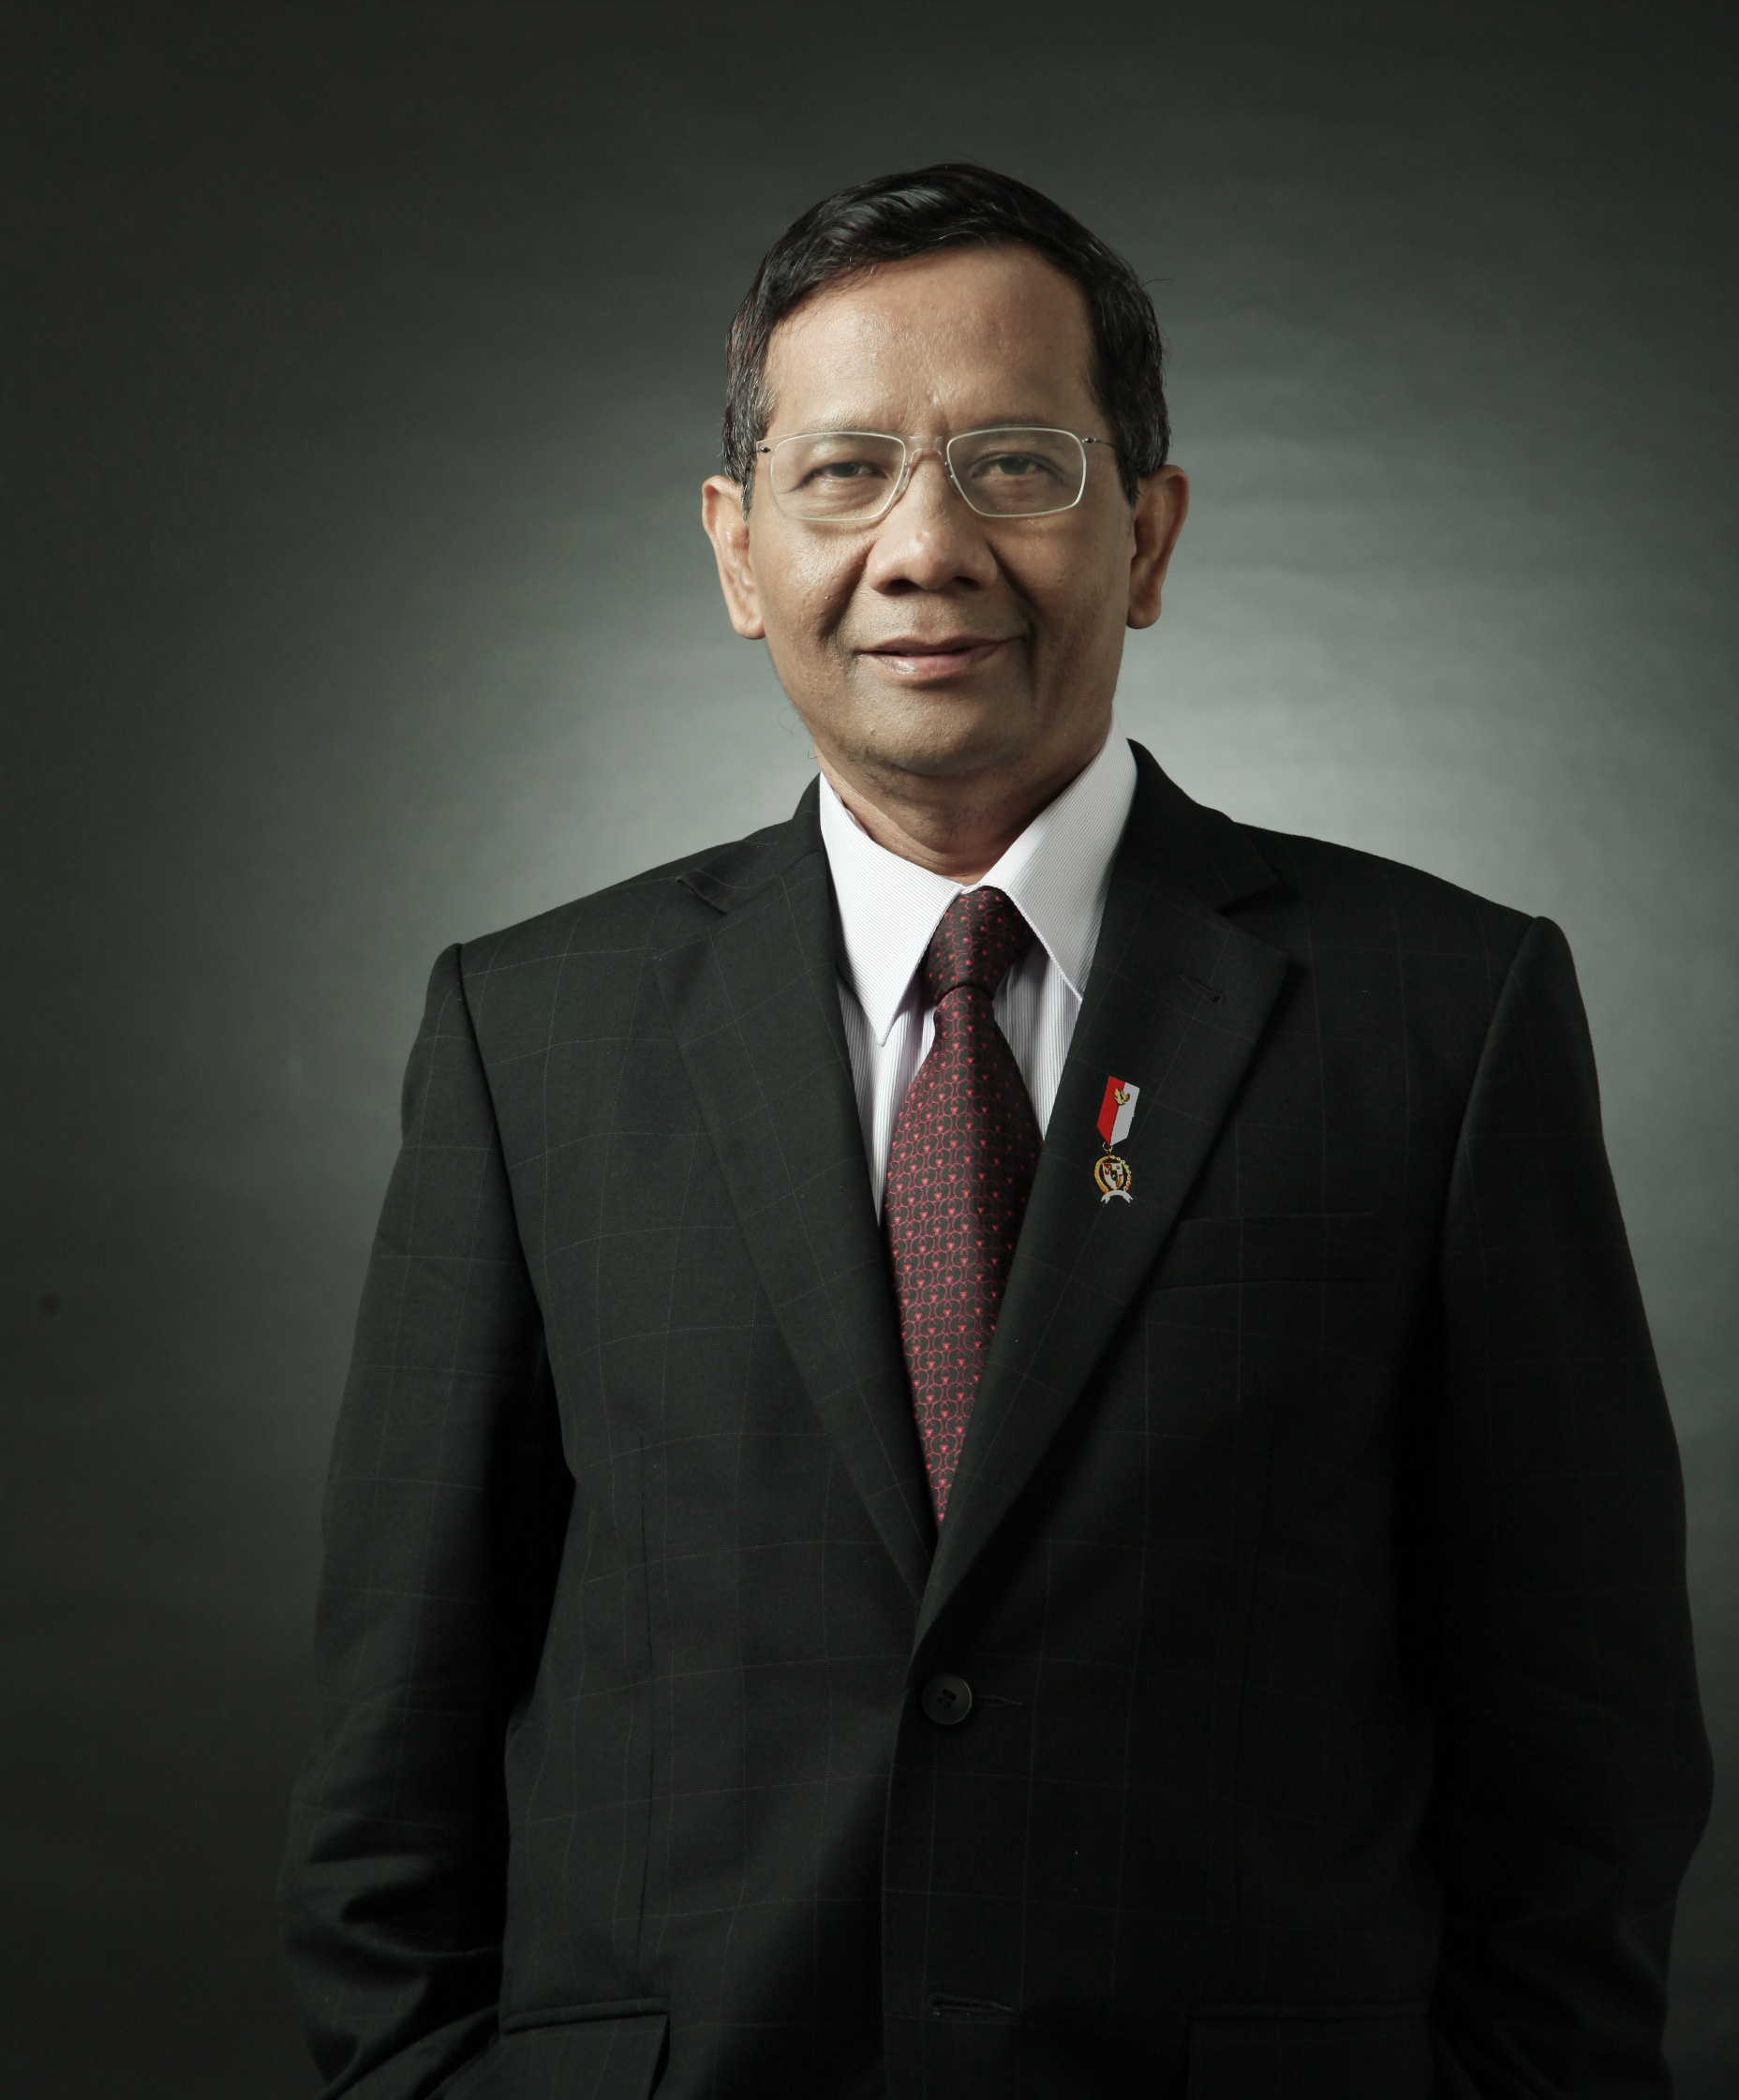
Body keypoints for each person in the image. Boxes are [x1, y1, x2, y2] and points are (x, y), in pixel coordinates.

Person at [278, 164, 1712, 2100]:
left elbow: (1584, 1741)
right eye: (844, 472)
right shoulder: (527, 1034)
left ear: (1148, 534)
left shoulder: (1443, 1014)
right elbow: (393, 1740)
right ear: (737, 553)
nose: (926, 548)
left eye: (1016, 467)